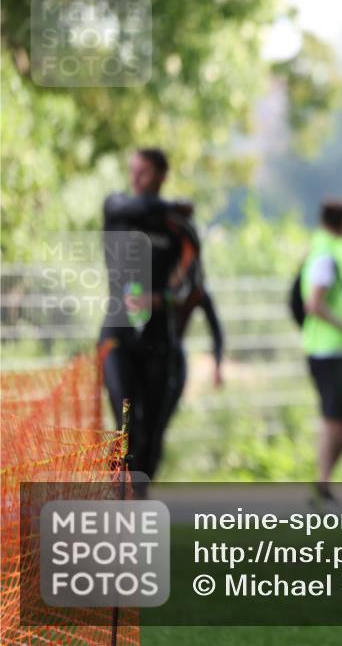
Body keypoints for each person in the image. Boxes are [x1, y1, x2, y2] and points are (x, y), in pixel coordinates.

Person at [99, 148, 191, 489]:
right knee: (125, 425)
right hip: (118, 336)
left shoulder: (177, 227)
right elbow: (137, 205)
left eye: (146, 172)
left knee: (152, 428)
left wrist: (160, 298)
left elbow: (191, 287)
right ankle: (117, 497)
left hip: (159, 340)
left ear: (162, 175)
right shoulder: (119, 208)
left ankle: (138, 503)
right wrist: (173, 205)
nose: (136, 178)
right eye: (133, 170)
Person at [301, 200, 342, 508]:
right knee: (334, 418)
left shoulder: (331, 248)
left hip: (338, 350)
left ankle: (324, 481)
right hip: (327, 350)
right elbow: (315, 303)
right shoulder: (325, 253)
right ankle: (322, 483)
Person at [162, 211, 225, 429]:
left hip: (174, 353)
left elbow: (216, 329)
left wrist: (217, 365)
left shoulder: (197, 289)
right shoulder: (158, 280)